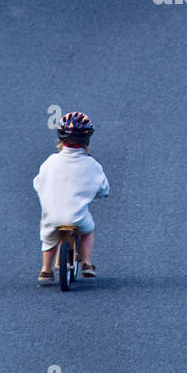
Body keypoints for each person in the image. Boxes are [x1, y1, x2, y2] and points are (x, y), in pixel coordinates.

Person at [34, 111, 110, 285]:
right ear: (87, 140)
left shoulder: (50, 162)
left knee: (48, 239)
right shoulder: (92, 165)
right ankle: (87, 263)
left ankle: (46, 269)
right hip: (77, 216)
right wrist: (99, 194)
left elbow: (38, 182)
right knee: (88, 230)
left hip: (52, 217)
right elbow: (104, 188)